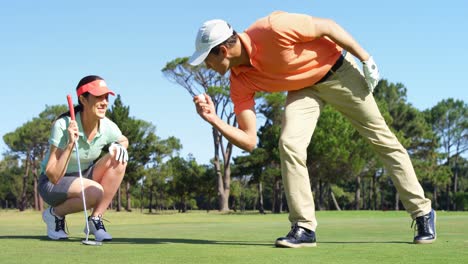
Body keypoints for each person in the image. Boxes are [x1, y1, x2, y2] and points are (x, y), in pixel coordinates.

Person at [188, 11, 436, 248]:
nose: (206, 66)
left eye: (206, 59)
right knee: (289, 144)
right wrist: (213, 119)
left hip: (338, 72)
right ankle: (304, 227)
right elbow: (250, 141)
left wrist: (366, 58)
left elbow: (327, 26)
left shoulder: (273, 27)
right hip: (303, 88)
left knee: (381, 139)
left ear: (222, 50)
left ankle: (423, 212)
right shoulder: (239, 81)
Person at [38, 75, 129, 242]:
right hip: (52, 185)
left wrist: (118, 146)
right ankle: (54, 214)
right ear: (83, 100)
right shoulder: (62, 125)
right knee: (94, 192)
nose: (104, 102)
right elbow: (53, 175)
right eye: (98, 97)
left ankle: (95, 220)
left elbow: (123, 139)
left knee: (119, 157)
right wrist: (70, 145)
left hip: (83, 178)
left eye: (106, 97)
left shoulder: (107, 126)